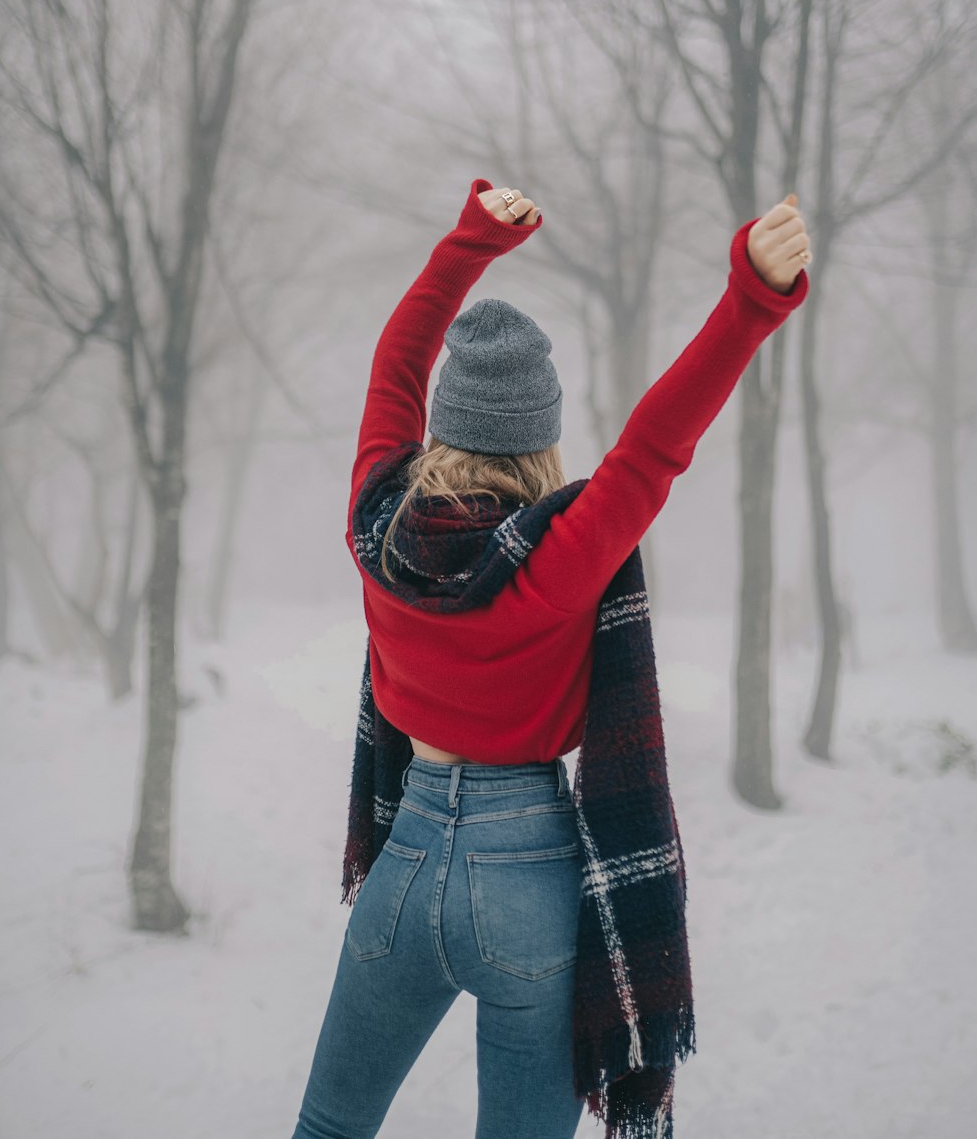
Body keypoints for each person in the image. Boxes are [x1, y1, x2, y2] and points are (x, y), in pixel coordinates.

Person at [290, 178, 811, 1139]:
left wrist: (468, 243)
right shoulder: (560, 557)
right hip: (528, 874)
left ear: (440, 425)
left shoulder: (377, 526)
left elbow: (393, 365)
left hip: (403, 862)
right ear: (541, 441)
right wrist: (748, 299)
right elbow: (658, 444)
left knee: (329, 1124)